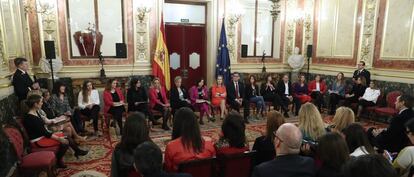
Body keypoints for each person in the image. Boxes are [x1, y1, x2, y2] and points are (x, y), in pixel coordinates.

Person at [23, 94, 88, 168]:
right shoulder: (31, 118)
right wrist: (59, 138)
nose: (42, 103)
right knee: (65, 141)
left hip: (43, 137)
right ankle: (58, 160)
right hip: (38, 141)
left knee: (66, 137)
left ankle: (77, 151)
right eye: (41, 102)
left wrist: (57, 120)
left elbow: (45, 123)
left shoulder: (36, 112)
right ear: (35, 104)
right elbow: (46, 133)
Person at [164, 107, 216, 172]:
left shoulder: (171, 147)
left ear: (176, 124)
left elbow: (168, 171)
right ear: (195, 123)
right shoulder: (209, 145)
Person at [111, 113, 151, 177]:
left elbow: (114, 174)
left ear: (126, 130)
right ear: (144, 129)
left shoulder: (119, 150)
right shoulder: (153, 149)